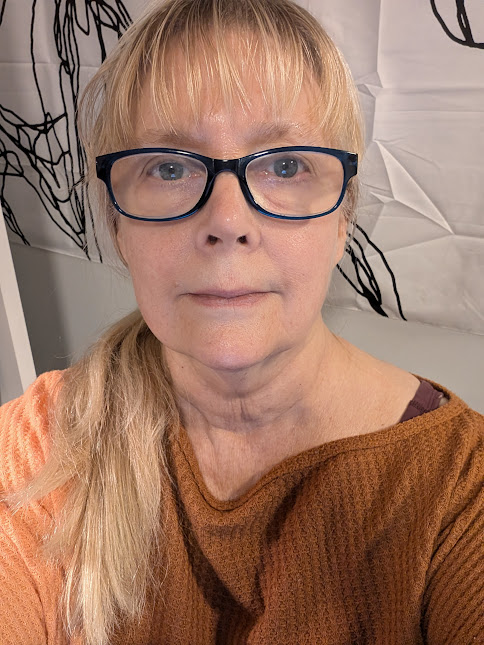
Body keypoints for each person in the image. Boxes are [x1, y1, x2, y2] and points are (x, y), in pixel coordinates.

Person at [0, 0, 482, 644]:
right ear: (117, 225)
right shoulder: (39, 449)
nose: (227, 222)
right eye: (169, 167)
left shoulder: (460, 490)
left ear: (343, 218)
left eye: (285, 165)